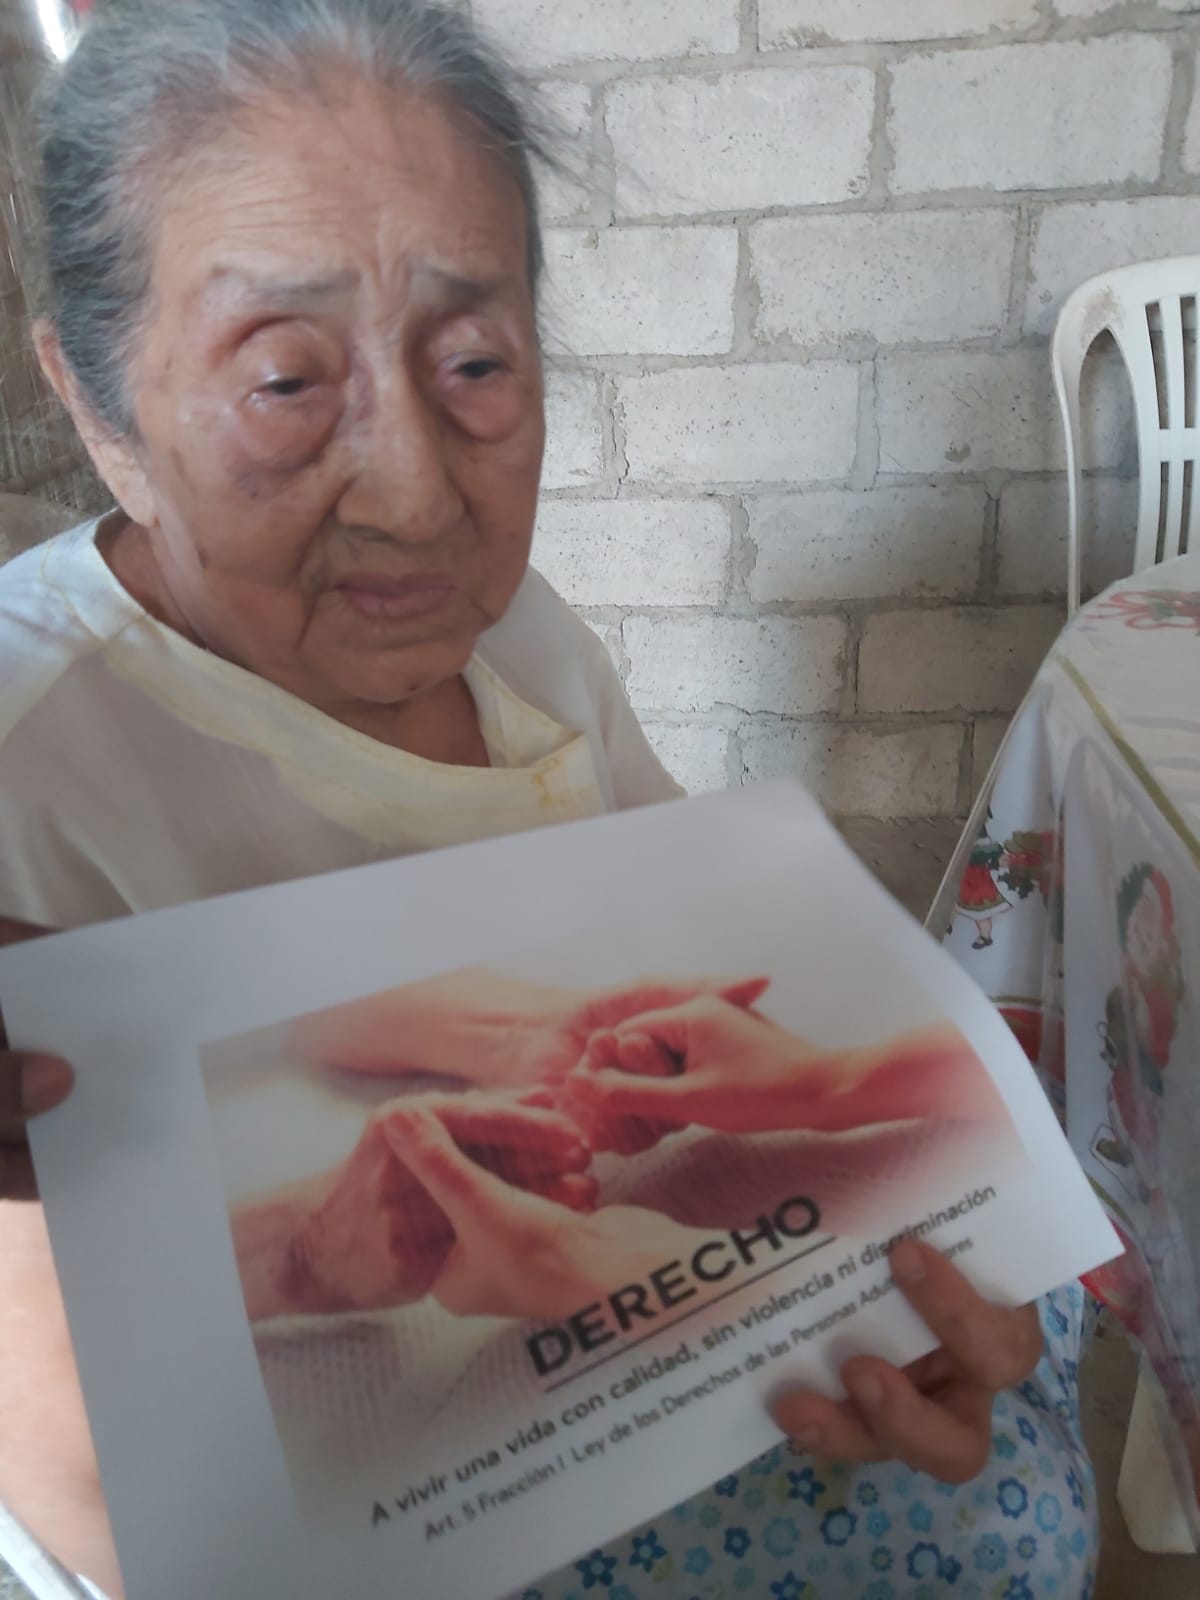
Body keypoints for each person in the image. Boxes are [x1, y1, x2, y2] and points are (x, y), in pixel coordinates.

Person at [0, 3, 1096, 1597]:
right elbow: (111, 1518)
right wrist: (335, 1248)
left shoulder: (522, 639)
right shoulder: (31, 771)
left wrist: (846, 1295)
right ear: (99, 413)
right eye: (286, 379)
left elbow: (681, 962)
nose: (417, 493)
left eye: (473, 364)